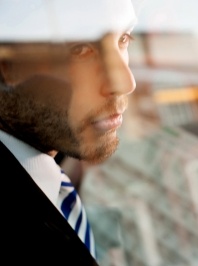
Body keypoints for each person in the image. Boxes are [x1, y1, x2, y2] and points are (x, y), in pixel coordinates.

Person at [0, 0, 137, 265]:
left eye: (124, 38)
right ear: (6, 64)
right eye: (81, 49)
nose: (126, 82)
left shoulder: (57, 167)